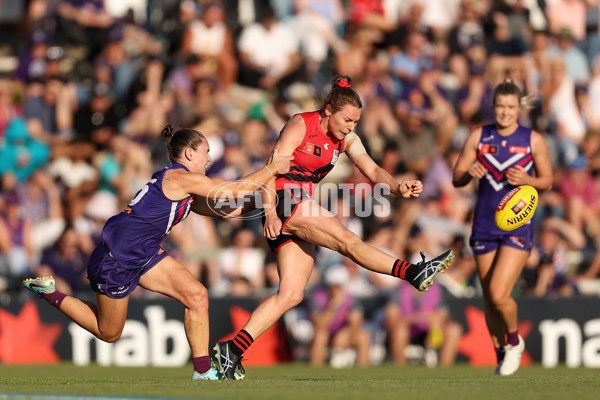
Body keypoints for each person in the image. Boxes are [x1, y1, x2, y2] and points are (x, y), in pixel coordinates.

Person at [214, 75, 454, 379]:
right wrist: (271, 212)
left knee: (290, 294)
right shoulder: (301, 124)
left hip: (298, 207)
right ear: (329, 110)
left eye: (356, 121)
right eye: (348, 120)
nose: (351, 127)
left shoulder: (347, 139)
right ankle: (411, 272)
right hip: (284, 200)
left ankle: (231, 350)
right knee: (347, 241)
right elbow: (271, 170)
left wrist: (397, 186)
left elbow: (372, 169)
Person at [22, 124, 293, 381]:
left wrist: (270, 205)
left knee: (197, 295)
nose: (209, 159)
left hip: (144, 253)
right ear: (189, 154)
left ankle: (202, 371)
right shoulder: (179, 177)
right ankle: (48, 292)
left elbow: (226, 209)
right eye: (206, 152)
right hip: (117, 257)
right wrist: (272, 168)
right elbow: (233, 189)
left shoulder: (185, 184)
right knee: (109, 332)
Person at [452, 77, 553, 375]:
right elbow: (456, 176)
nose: (505, 112)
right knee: (489, 299)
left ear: (518, 108)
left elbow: (547, 180)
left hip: (517, 226)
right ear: (493, 106)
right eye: (500, 106)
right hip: (483, 224)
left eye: (510, 107)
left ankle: (513, 342)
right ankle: (501, 353)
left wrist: (529, 181)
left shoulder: (532, 139)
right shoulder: (478, 137)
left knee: (499, 293)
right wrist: (469, 172)